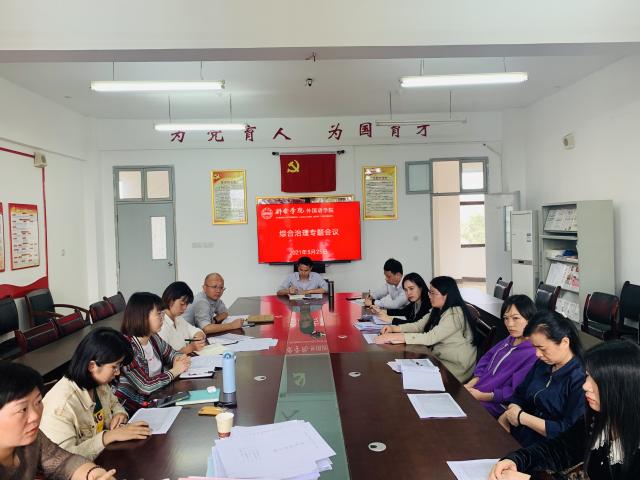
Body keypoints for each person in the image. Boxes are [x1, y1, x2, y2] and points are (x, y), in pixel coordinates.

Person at [490, 340, 640, 480]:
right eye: (587, 376)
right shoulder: (596, 417)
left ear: (622, 388)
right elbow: (558, 449)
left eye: (597, 381)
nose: (585, 386)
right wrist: (517, 460)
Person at [40, 327, 150, 460]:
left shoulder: (97, 383)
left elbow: (114, 404)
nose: (117, 372)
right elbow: (63, 459)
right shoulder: (61, 406)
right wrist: (107, 437)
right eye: (114, 367)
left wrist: (119, 414)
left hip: (104, 457)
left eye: (119, 366)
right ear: (92, 366)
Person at [0, 362, 117, 480]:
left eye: (38, 402)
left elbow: (63, 463)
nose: (35, 416)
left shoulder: (34, 439)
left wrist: (96, 475)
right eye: (23, 409)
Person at [497, 310, 585, 447]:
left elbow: (568, 430)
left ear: (564, 342)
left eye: (542, 348)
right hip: (521, 435)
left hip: (548, 448)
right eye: (535, 348)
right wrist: (509, 413)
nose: (537, 354)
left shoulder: (580, 378)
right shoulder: (543, 364)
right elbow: (520, 394)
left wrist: (521, 417)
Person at [375, 276, 480, 382]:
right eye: (430, 292)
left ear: (446, 295)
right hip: (440, 360)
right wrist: (393, 328)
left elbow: (430, 337)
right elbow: (418, 326)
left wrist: (395, 337)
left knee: (408, 378)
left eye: (433, 293)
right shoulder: (438, 309)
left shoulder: (455, 314)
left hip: (454, 368)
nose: (429, 296)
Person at [115, 292, 191, 414]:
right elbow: (145, 386)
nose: (162, 318)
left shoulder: (153, 338)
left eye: (162, 313)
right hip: (133, 408)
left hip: (158, 396)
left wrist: (179, 359)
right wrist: (175, 371)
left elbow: (172, 353)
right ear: (143, 316)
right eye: (158, 314)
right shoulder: (126, 347)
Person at [463, 295, 538, 418]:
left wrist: (482, 396)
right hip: (477, 390)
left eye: (515, 318)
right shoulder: (510, 339)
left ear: (530, 319)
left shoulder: (534, 353)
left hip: (495, 404)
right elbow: (487, 358)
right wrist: (471, 384)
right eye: (506, 318)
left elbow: (515, 391)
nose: (510, 324)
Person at [158, 281, 206, 354]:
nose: (185, 308)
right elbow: (164, 356)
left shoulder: (178, 318)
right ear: (170, 300)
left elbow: (197, 331)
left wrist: (197, 339)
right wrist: (190, 348)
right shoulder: (161, 325)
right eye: (182, 304)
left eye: (187, 304)